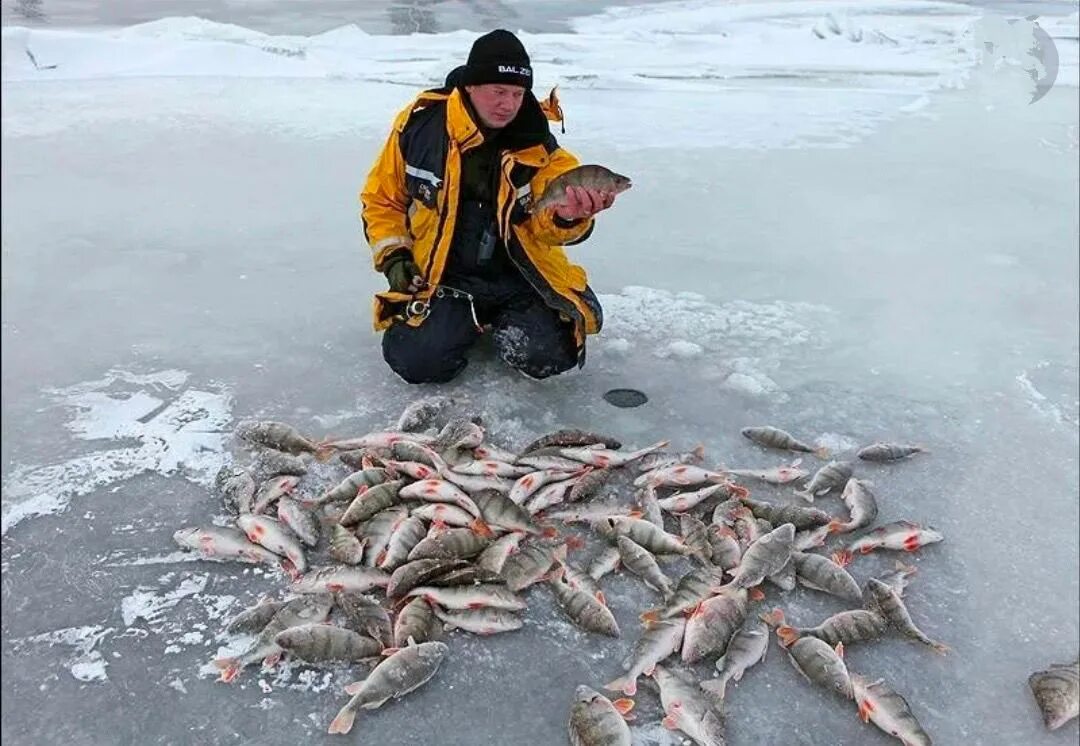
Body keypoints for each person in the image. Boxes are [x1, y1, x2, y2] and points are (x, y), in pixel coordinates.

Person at [359, 29, 621, 384]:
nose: (508, 104)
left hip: (518, 278)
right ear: (469, 86)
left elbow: (545, 222)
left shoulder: (538, 145)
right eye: (498, 91)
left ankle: (505, 321)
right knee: (418, 363)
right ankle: (460, 322)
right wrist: (394, 257)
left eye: (517, 93)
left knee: (549, 357)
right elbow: (382, 200)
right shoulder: (420, 127)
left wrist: (567, 217)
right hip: (445, 277)